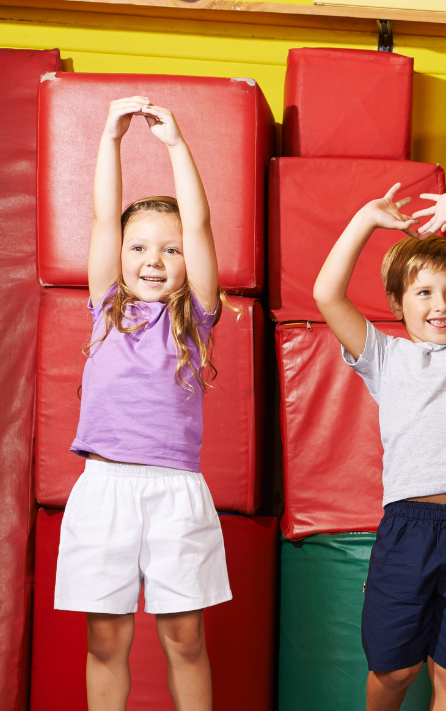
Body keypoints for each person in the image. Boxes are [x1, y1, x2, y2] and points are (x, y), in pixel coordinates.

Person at [313, 184, 446, 711]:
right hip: (411, 528)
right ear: (397, 303)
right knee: (394, 669)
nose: (441, 305)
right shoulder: (383, 356)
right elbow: (326, 295)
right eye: (425, 292)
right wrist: (365, 219)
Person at [56, 97, 233, 711]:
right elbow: (106, 218)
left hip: (174, 490)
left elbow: (203, 223)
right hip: (104, 486)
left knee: (185, 636)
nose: (153, 260)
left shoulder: (195, 321)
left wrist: (177, 145)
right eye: (139, 248)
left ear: (188, 262)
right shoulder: (107, 306)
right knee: (106, 637)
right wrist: (109, 134)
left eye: (171, 249)